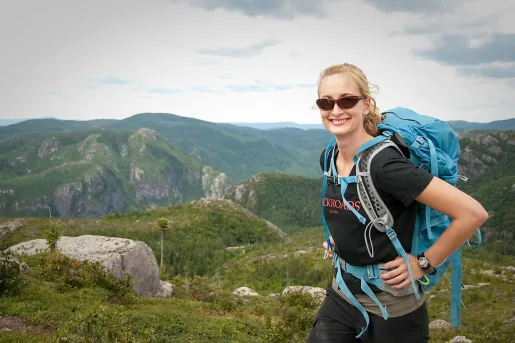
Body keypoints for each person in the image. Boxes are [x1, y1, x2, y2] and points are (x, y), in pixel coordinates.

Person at [306, 63, 488, 343]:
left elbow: (472, 213)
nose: (336, 110)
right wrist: (340, 238)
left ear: (366, 105)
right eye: (326, 102)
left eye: (347, 100)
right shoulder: (329, 156)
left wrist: (424, 264)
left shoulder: (385, 164)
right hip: (343, 294)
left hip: (393, 308)